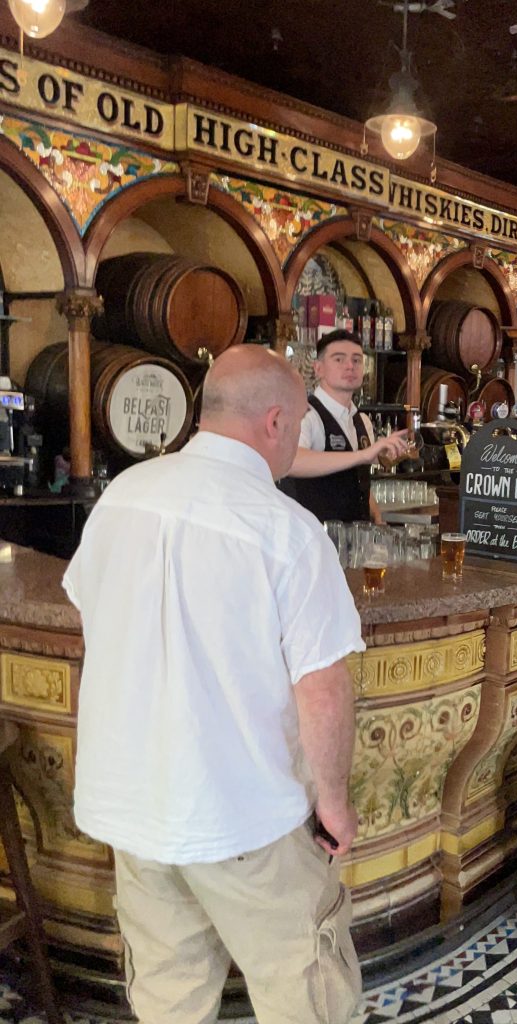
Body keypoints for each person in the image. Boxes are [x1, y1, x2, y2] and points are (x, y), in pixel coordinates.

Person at [63, 346, 363, 1024]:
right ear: (277, 421)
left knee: (169, 994)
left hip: (133, 803)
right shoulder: (286, 531)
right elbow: (321, 688)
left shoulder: (122, 496)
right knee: (304, 986)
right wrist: (337, 801)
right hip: (243, 811)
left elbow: (95, 613)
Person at [285, 329, 408, 523]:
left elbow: (360, 481)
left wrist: (376, 515)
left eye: (357, 360)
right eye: (339, 359)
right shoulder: (307, 414)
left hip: (357, 540)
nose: (350, 366)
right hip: (317, 538)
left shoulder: (362, 421)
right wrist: (362, 456)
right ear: (318, 369)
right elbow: (291, 462)